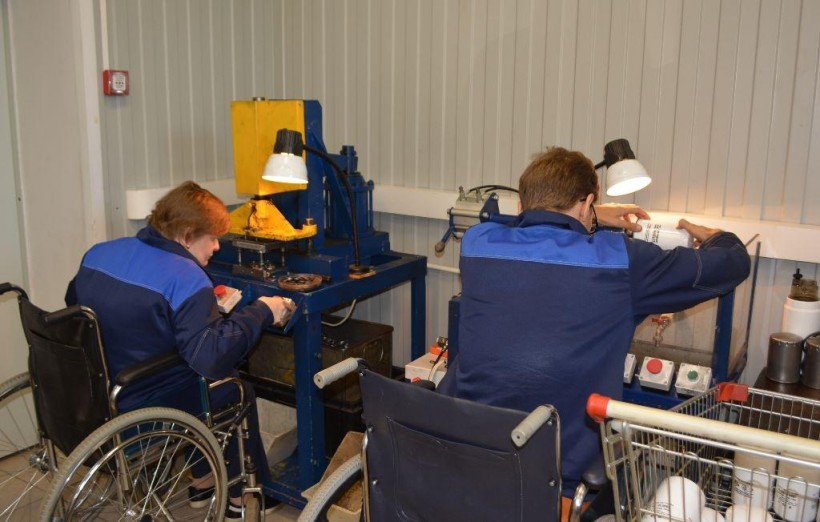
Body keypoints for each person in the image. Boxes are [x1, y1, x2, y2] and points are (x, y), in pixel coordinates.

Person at [437, 147, 751, 517]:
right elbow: (732, 264)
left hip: (473, 462)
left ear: (522, 203)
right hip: (561, 486)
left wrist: (592, 215)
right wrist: (719, 237)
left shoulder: (477, 244)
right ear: (586, 203)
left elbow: (520, 224)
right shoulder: (619, 260)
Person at [66, 181, 291, 518]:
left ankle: (202, 480)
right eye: (212, 238)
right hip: (138, 406)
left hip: (90, 396)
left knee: (187, 373)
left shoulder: (99, 253)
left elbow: (76, 314)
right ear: (187, 236)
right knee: (232, 387)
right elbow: (211, 358)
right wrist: (261, 311)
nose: (216, 247)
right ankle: (241, 497)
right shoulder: (185, 276)